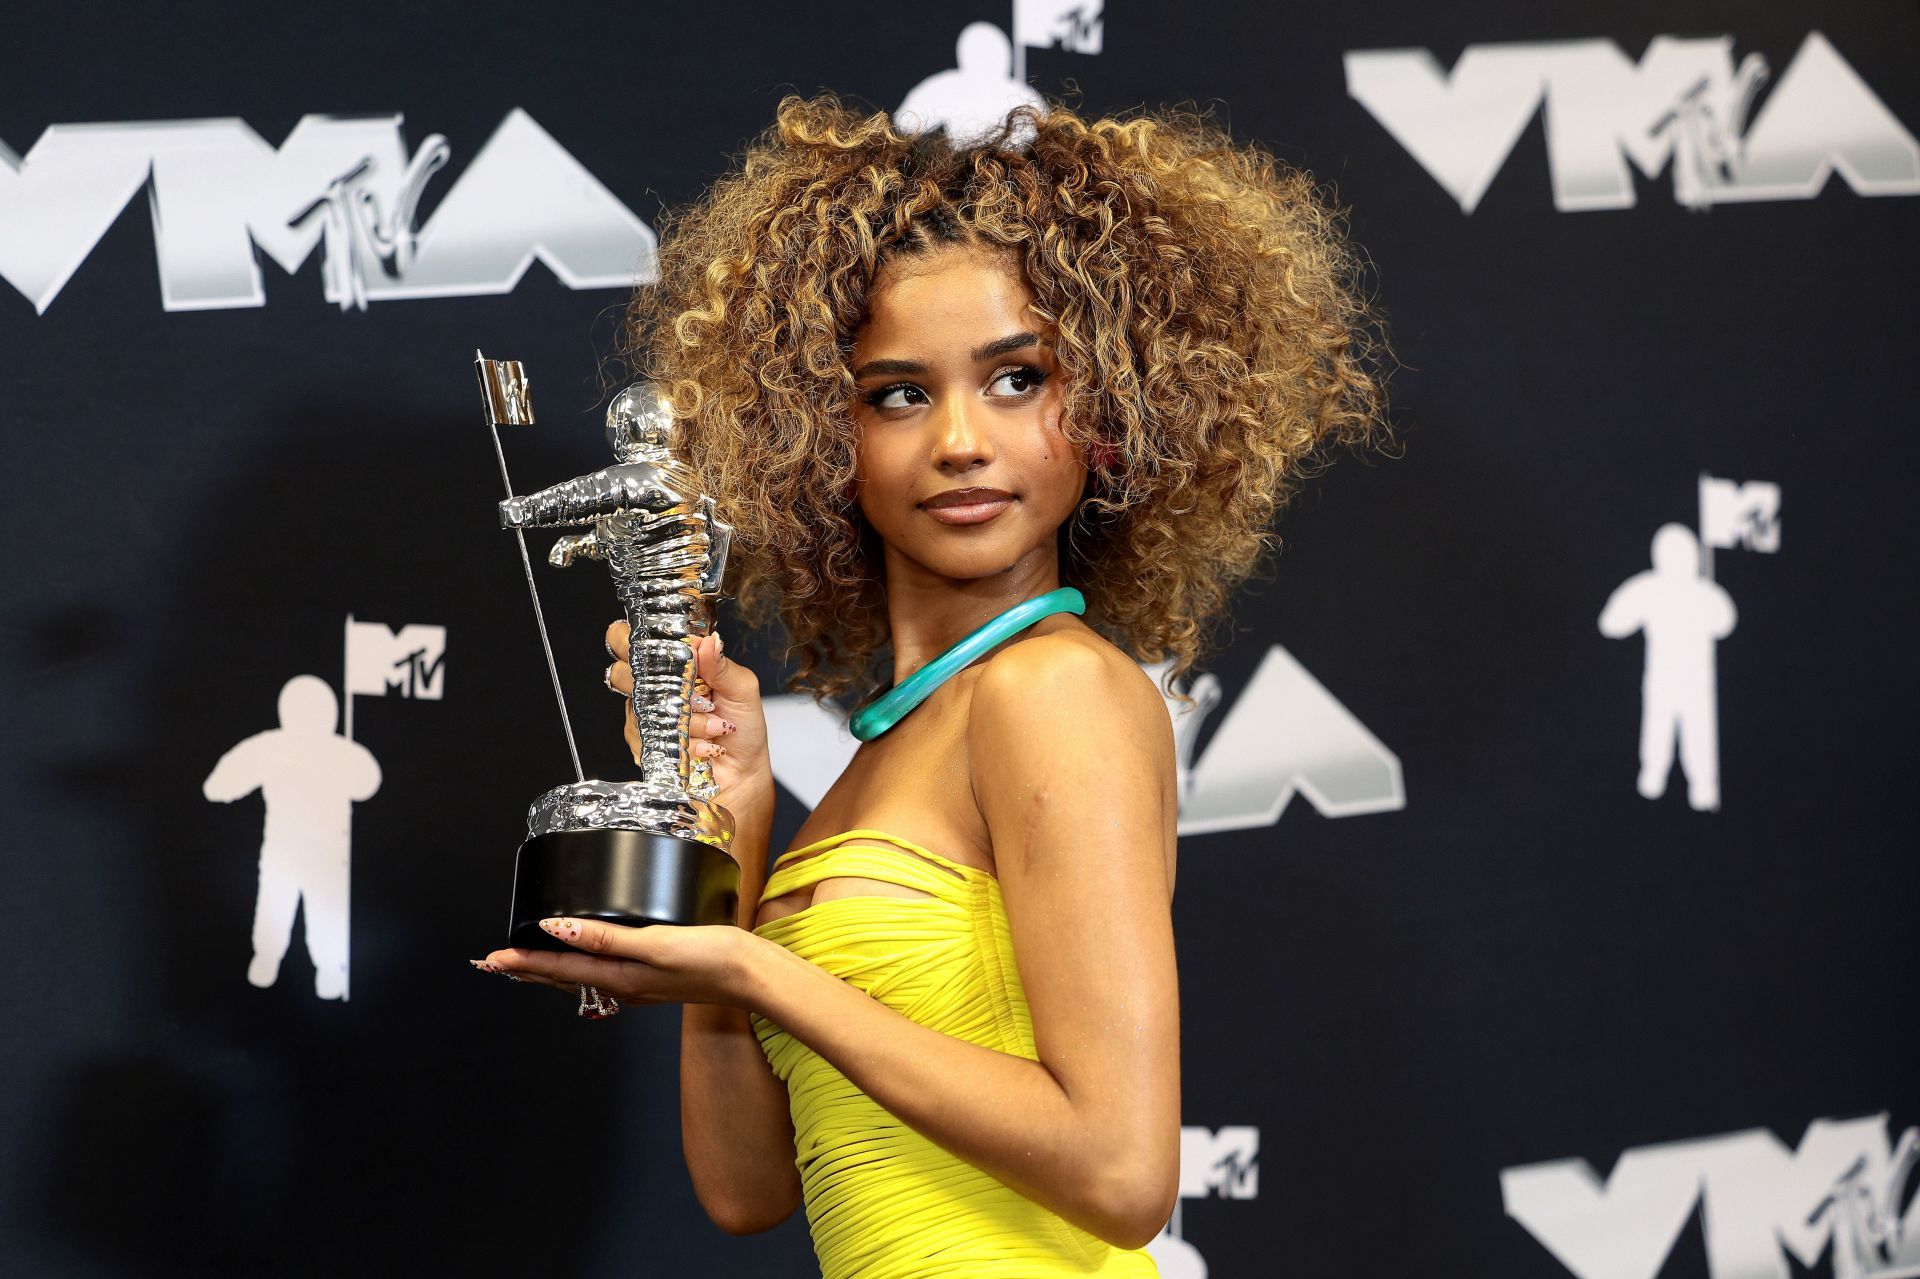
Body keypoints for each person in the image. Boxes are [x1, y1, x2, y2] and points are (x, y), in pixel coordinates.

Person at [478, 94, 1388, 1277]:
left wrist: (755, 967)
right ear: (817, 436)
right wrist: (736, 835)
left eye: (1017, 379)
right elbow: (746, 1186)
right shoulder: (883, 753)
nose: (960, 439)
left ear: (1109, 411)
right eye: (898, 393)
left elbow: (1122, 1174)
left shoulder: (1054, 691)